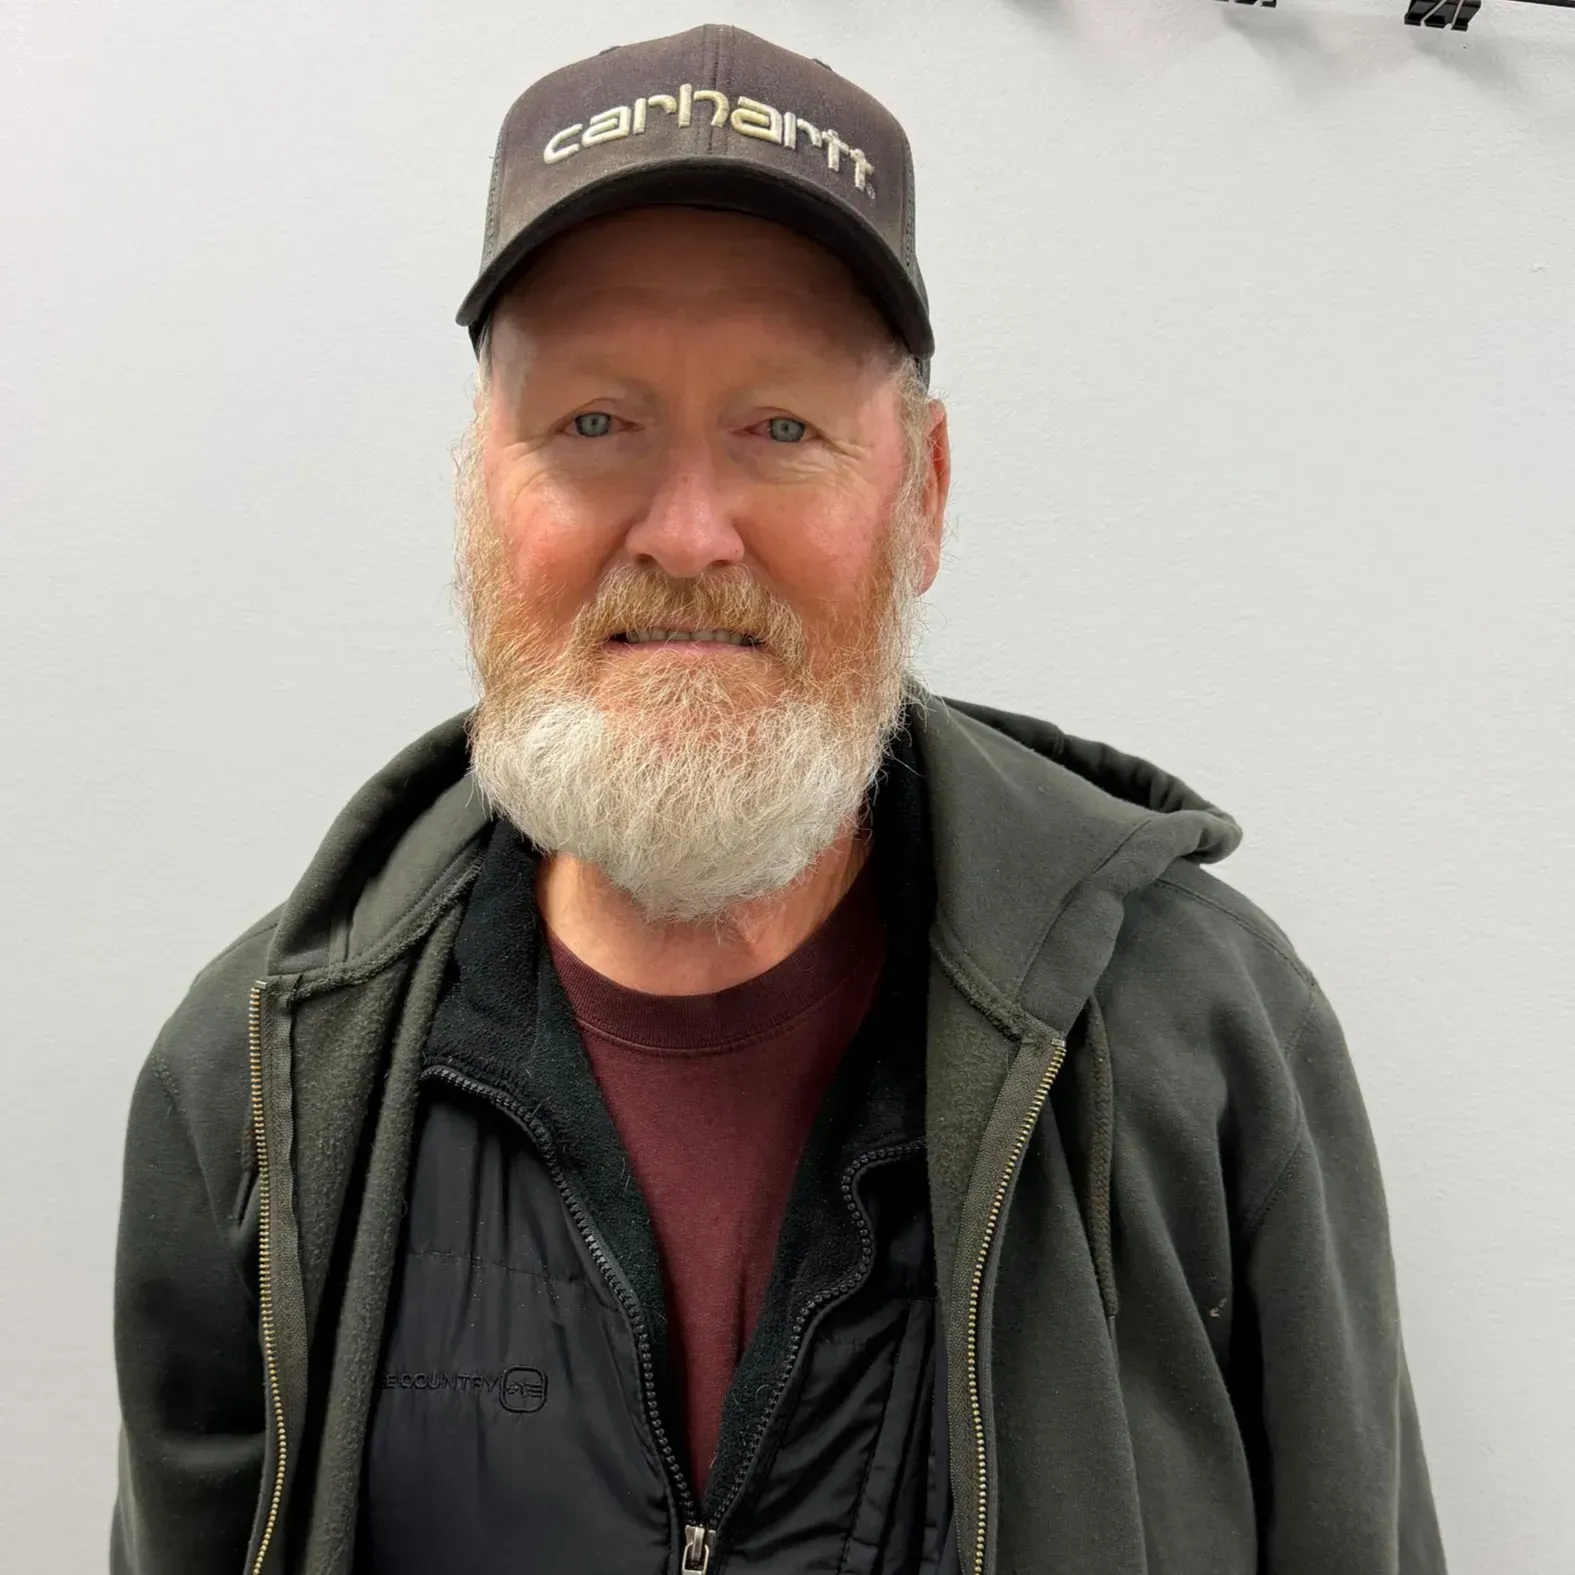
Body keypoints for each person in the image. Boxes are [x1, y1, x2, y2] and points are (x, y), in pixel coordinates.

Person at [110, 22, 1446, 1575]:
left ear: (920, 495)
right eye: (594, 423)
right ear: (482, 489)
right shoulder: (261, 1082)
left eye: (781, 429)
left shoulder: (1198, 1037)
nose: (686, 532)